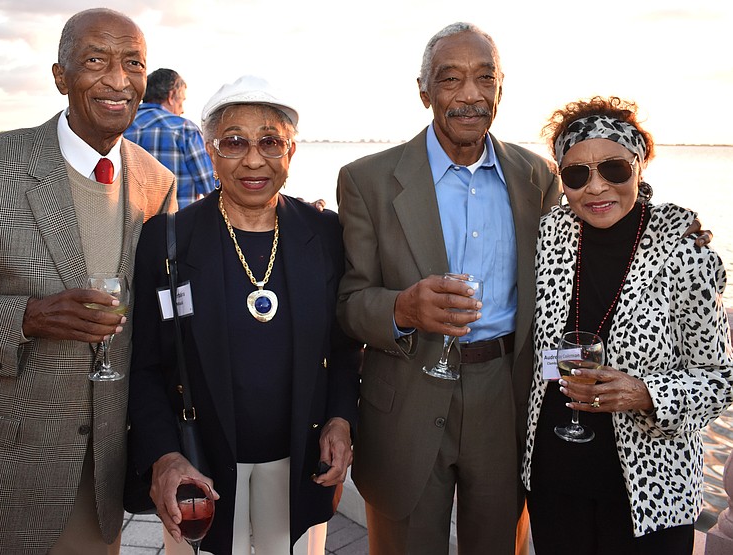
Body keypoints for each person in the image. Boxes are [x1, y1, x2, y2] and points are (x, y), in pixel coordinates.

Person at [0, 8, 177, 554]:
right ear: (60, 76)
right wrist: (25, 318)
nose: (118, 79)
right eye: (96, 60)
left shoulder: (154, 181)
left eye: (133, 62)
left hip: (99, 483)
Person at [335, 22, 560, 554]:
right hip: (406, 396)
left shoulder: (538, 177)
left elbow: (579, 264)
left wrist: (666, 229)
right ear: (424, 91)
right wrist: (403, 308)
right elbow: (348, 304)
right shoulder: (366, 180)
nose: (469, 95)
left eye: (485, 78)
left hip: (505, 396)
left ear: (501, 88)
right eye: (450, 79)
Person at [128, 74, 360, 555]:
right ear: (210, 152)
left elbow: (342, 349)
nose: (254, 159)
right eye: (234, 142)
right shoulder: (167, 240)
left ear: (291, 153)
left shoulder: (324, 234)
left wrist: (340, 419)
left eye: (270, 142)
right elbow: (144, 365)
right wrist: (165, 456)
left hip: (300, 460)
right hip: (201, 465)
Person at [522, 96, 733, 555]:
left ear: (640, 164)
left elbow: (721, 381)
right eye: (577, 174)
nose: (596, 188)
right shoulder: (548, 235)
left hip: (649, 492)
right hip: (555, 479)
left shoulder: (685, 251)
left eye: (613, 169)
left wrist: (647, 393)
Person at [125, 68, 217, 208]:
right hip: (177, 226)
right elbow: (211, 189)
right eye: (182, 100)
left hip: (128, 226)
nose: (183, 110)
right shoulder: (185, 130)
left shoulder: (121, 128)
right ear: (171, 95)